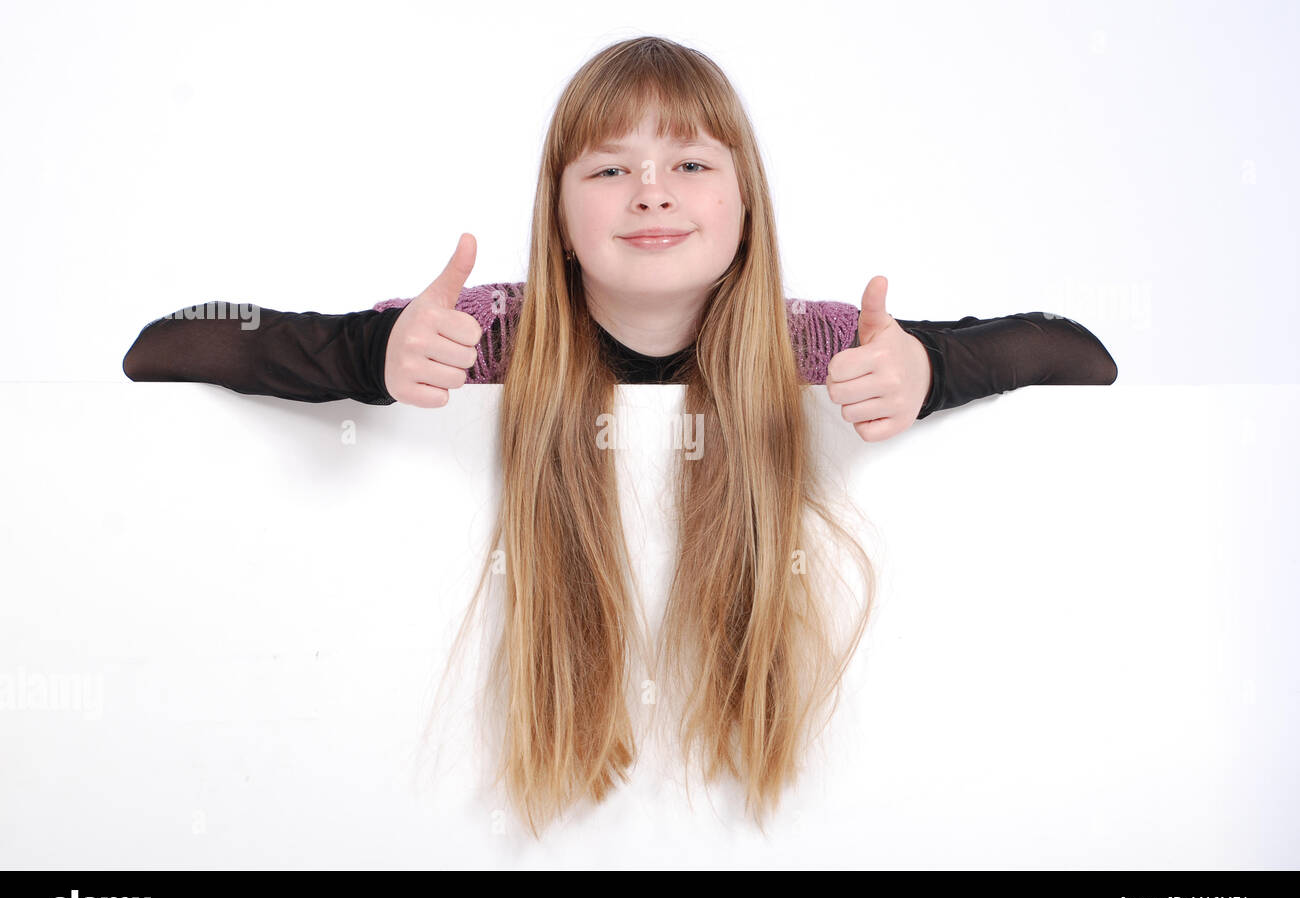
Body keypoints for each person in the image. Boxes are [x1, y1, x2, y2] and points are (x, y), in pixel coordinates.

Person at [121, 36, 1118, 839]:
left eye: (689, 162)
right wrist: (366, 350)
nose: (652, 191)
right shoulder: (477, 335)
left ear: (743, 211)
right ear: (558, 216)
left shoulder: (813, 344)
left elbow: (1077, 355)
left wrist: (931, 369)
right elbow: (161, 349)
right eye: (609, 168)